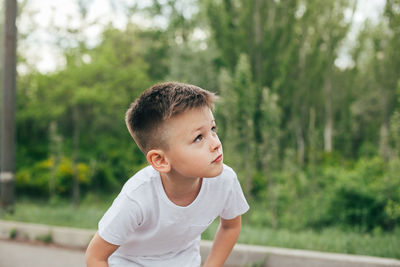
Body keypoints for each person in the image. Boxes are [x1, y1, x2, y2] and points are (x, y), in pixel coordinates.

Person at [85, 82, 249, 267]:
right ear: (160, 160)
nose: (216, 143)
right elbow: (95, 256)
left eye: (212, 129)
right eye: (198, 138)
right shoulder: (137, 197)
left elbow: (231, 226)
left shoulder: (225, 180)